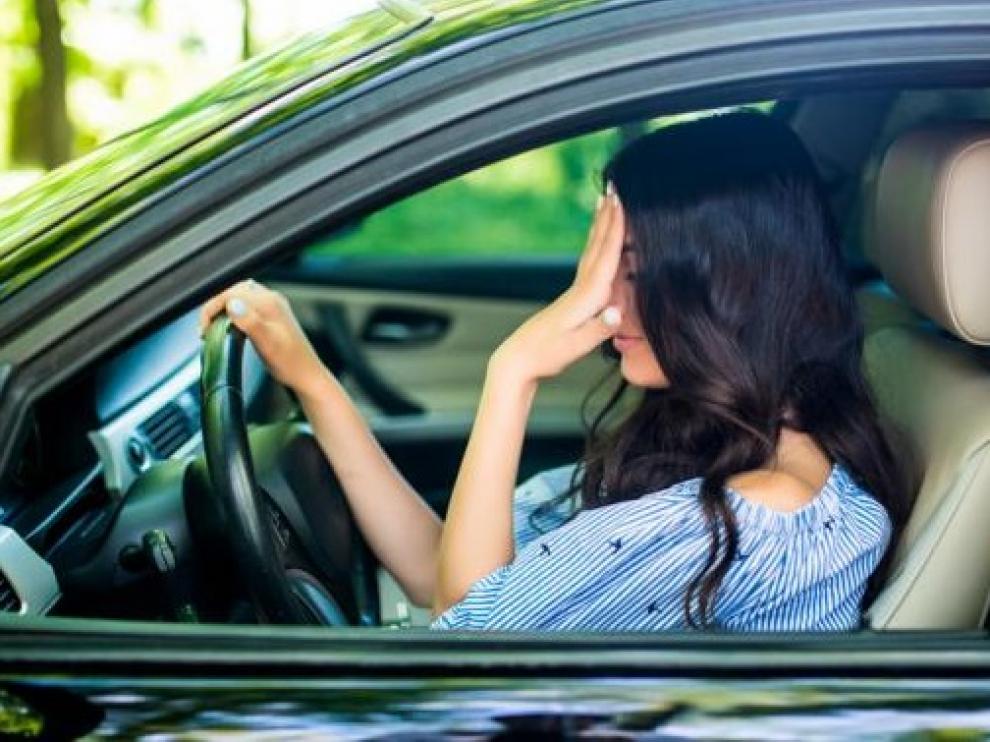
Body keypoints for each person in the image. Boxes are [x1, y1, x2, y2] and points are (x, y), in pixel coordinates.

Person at [200, 111, 909, 631]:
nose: (599, 300)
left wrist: (513, 372)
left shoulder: (753, 519)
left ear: (727, 285)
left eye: (630, 272)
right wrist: (315, 382)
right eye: (601, 267)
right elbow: (442, 568)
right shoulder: (724, 439)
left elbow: (466, 644)